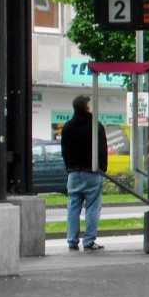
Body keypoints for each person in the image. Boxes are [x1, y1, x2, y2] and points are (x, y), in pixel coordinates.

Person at [60, 94, 109, 252]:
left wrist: (69, 166)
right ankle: (89, 241)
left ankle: (72, 241)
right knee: (93, 207)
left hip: (74, 172)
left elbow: (64, 151)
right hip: (92, 172)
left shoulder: (67, 127)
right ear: (87, 107)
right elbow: (102, 150)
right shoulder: (96, 126)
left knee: (73, 207)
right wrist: (102, 169)